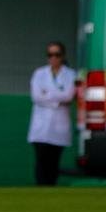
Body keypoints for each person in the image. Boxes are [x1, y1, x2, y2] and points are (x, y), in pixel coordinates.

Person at [28, 41, 75, 186]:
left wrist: (47, 94)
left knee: (53, 161)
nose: (53, 58)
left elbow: (68, 96)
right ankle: (40, 189)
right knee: (41, 160)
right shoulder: (39, 73)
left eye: (57, 55)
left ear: (62, 56)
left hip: (59, 125)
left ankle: (51, 188)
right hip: (41, 126)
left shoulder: (71, 74)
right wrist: (57, 100)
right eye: (50, 55)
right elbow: (36, 97)